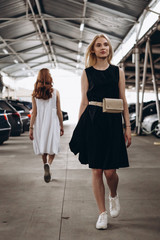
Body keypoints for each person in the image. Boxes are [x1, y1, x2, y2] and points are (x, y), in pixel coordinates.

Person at [69, 34, 131, 229]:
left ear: (109, 49)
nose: (103, 47)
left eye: (106, 45)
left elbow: (123, 100)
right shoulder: (87, 73)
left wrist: (127, 127)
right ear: (93, 50)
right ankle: (102, 213)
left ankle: (113, 195)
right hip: (93, 122)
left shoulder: (117, 72)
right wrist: (81, 129)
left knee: (110, 172)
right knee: (96, 170)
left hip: (112, 122)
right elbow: (84, 101)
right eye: (99, 45)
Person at [29, 68, 64, 183]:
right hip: (52, 122)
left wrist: (31, 128)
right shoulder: (55, 92)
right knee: (52, 146)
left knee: (43, 146)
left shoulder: (35, 94)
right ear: (49, 78)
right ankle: (49, 164)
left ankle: (45, 164)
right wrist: (61, 125)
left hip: (40, 122)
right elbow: (59, 111)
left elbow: (34, 113)